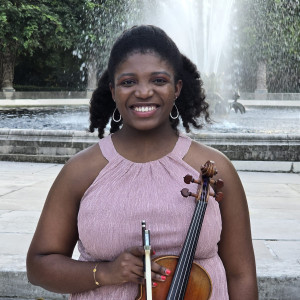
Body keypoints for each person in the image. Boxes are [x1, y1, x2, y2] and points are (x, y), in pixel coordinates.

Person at [26, 25, 258, 299]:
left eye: (158, 80)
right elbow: (39, 264)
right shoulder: (81, 171)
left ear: (177, 88)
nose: (144, 92)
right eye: (128, 82)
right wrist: (105, 273)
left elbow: (240, 274)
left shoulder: (215, 168)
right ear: (113, 91)